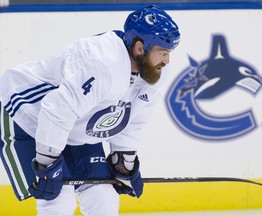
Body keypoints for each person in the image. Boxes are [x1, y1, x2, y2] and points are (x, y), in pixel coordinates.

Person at [0, 4, 180, 216]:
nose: (167, 60)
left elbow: (133, 118)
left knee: (103, 197)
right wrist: (47, 164)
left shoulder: (154, 70)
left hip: (74, 127)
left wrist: (124, 163)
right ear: (139, 48)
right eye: (163, 52)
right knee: (58, 200)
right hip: (27, 116)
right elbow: (57, 111)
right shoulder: (100, 63)